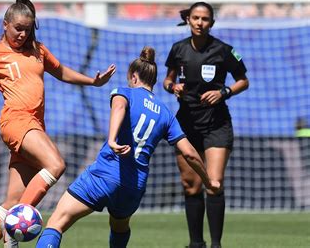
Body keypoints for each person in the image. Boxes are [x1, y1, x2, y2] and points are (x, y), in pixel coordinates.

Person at [0, 0, 116, 248]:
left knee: (12, 201)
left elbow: (61, 71)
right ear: (5, 24)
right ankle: (14, 223)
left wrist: (93, 82)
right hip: (16, 121)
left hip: (34, 125)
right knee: (55, 164)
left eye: (27, 29)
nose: (22, 34)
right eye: (17, 28)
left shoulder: (38, 50)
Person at [36, 46, 221, 248]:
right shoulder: (166, 114)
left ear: (133, 77)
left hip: (104, 175)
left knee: (56, 222)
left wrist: (112, 139)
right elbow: (190, 153)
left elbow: (119, 107)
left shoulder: (124, 93)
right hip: (133, 186)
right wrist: (208, 181)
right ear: (154, 80)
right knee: (119, 226)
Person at [163, 2, 249, 248]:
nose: (200, 23)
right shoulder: (178, 49)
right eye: (196, 18)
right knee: (191, 185)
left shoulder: (223, 51)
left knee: (214, 183)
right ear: (188, 20)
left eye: (205, 19)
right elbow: (167, 80)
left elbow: (243, 81)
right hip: (186, 125)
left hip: (216, 125)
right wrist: (172, 87)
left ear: (212, 22)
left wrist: (224, 92)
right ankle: (195, 243)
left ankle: (216, 244)